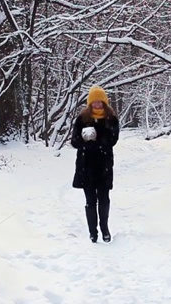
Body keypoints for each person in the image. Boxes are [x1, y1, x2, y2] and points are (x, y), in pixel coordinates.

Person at [71, 85, 120, 243]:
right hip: (86, 166)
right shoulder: (82, 119)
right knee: (90, 201)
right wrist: (85, 142)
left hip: (104, 165)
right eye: (94, 102)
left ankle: (104, 228)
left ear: (104, 103)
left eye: (100, 102)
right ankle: (93, 232)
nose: (97, 105)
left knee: (104, 199)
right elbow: (74, 141)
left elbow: (113, 140)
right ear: (90, 103)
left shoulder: (111, 119)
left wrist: (98, 140)